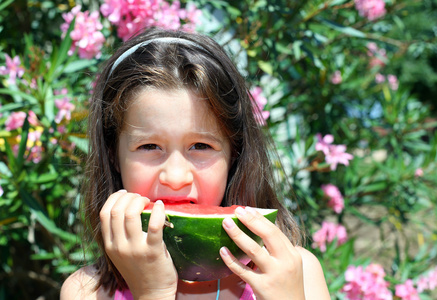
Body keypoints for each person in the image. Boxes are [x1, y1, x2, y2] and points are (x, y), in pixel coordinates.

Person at [60, 27, 330, 300]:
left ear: (233, 153)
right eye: (149, 146)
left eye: (201, 146)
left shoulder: (297, 274)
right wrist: (153, 293)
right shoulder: (87, 292)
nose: (176, 177)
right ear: (113, 157)